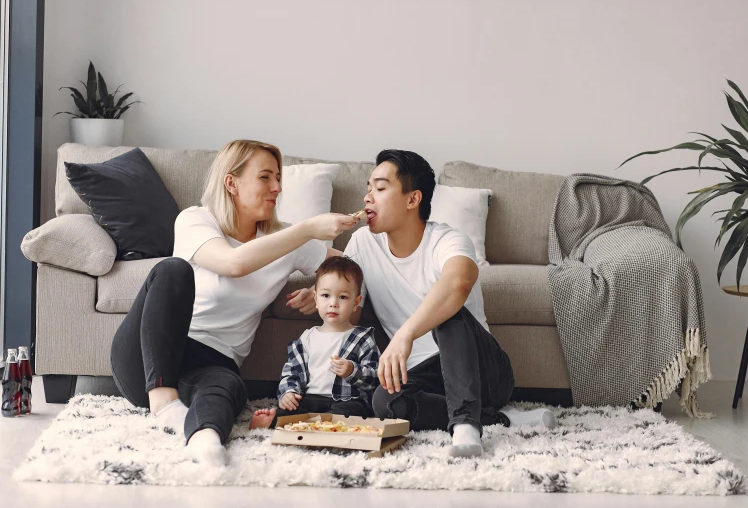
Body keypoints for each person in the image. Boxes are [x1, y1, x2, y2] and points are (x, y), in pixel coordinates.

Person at [109, 139, 357, 466]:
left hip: (215, 361)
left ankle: (205, 440)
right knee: (171, 270)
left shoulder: (285, 241)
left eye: (278, 178)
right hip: (148, 361)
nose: (277, 187)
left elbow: (352, 268)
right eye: (266, 177)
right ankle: (164, 406)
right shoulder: (195, 220)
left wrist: (323, 288)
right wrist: (309, 227)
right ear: (232, 182)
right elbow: (233, 264)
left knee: (226, 386)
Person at [343, 149, 556, 458]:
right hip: (426, 376)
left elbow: (458, 284)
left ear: (412, 199)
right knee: (385, 403)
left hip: (484, 371)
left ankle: (466, 426)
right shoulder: (363, 243)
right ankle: (501, 419)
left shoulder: (448, 240)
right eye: (367, 188)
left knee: (447, 311)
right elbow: (345, 296)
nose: (367, 197)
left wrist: (406, 334)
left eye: (379, 188)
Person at [249, 256, 379, 430]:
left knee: (354, 412)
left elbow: (374, 378)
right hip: (311, 399)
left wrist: (352, 370)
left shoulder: (363, 338)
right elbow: (292, 371)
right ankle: (271, 422)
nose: (333, 303)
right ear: (316, 299)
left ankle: (322, 425)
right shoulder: (307, 338)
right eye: (326, 295)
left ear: (356, 302)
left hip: (346, 401)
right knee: (291, 409)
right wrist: (289, 393)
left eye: (343, 297)